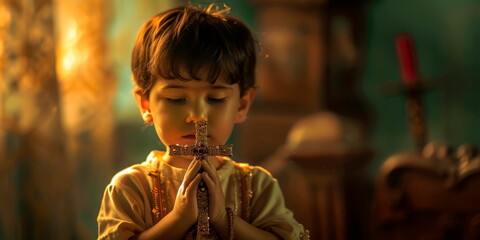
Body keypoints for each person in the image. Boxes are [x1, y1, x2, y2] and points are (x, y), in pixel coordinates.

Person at [97, 4, 307, 240]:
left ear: (241, 105)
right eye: (176, 99)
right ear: (146, 104)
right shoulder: (130, 188)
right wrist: (179, 218)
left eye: (215, 99)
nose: (197, 116)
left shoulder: (257, 186)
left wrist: (221, 218)